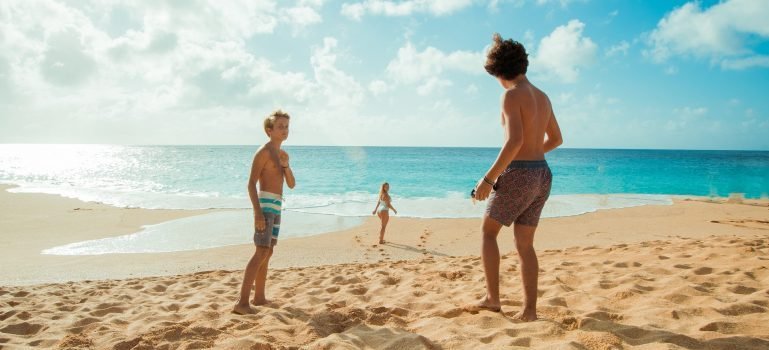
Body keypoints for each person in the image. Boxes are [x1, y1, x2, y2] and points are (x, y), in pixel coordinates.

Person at [468, 33, 563, 321]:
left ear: (498, 71)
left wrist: (487, 180)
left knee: (488, 232)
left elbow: (514, 142)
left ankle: (493, 299)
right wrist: (533, 158)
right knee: (525, 244)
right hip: (542, 175)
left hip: (520, 173)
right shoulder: (543, 97)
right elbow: (556, 139)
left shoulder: (510, 95)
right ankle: (529, 311)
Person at [233, 109, 296, 315]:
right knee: (260, 251)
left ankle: (259, 297)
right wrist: (257, 213)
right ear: (269, 130)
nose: (284, 130)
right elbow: (251, 183)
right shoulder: (264, 152)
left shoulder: (281, 154)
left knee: (268, 252)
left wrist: (286, 165)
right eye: (280, 127)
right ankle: (242, 303)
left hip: (277, 206)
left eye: (286, 126)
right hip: (265, 207)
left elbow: (292, 184)